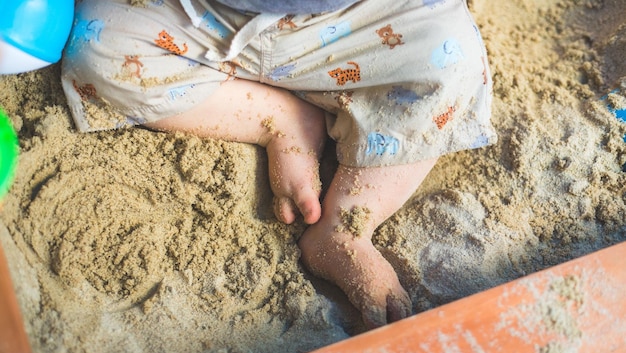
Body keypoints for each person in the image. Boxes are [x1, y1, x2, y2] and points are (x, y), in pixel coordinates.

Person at [61, 0, 496, 328]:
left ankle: (346, 225)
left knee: (452, 60)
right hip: (199, 15)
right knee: (95, 45)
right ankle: (279, 119)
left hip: (355, 24)